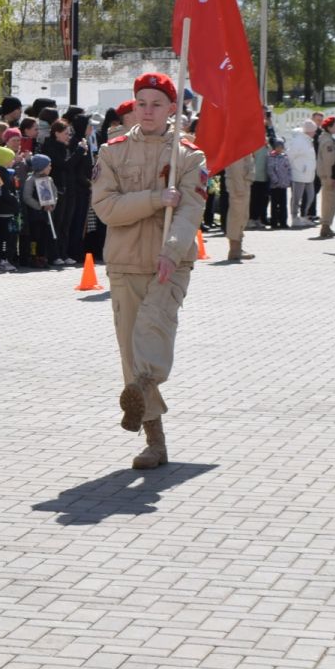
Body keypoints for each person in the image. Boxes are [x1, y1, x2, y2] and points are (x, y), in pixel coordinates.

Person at [89, 73, 207, 470]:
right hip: (124, 262)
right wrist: (156, 198)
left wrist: (172, 252)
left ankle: (140, 390)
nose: (149, 111)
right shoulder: (112, 152)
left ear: (172, 108)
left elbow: (191, 210)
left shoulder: (188, 156)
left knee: (153, 335)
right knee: (130, 349)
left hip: (168, 264)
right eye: (142, 103)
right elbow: (107, 208)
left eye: (157, 104)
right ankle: (155, 440)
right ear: (133, 107)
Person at [314, 115, 335, 238]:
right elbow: (329, 161)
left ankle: (327, 225)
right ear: (329, 128)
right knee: (329, 201)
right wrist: (332, 176)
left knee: (330, 201)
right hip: (328, 176)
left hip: (328, 176)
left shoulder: (327, 139)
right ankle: (325, 226)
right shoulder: (328, 142)